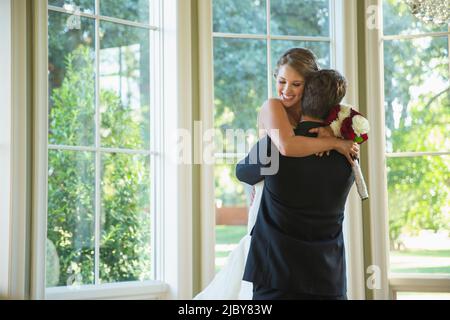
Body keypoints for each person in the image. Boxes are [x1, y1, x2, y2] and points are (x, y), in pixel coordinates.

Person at [194, 48, 358, 300]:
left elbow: (353, 127)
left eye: (296, 84)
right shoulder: (273, 107)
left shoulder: (328, 115)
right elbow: (287, 146)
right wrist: (335, 143)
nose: (286, 90)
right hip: (264, 173)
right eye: (281, 81)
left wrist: (332, 132)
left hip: (281, 182)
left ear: (311, 85)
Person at [237, 69, 355, 299]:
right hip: (328, 281)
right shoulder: (348, 154)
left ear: (302, 98)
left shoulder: (274, 148)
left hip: (276, 279)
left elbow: (242, 172)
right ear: (334, 109)